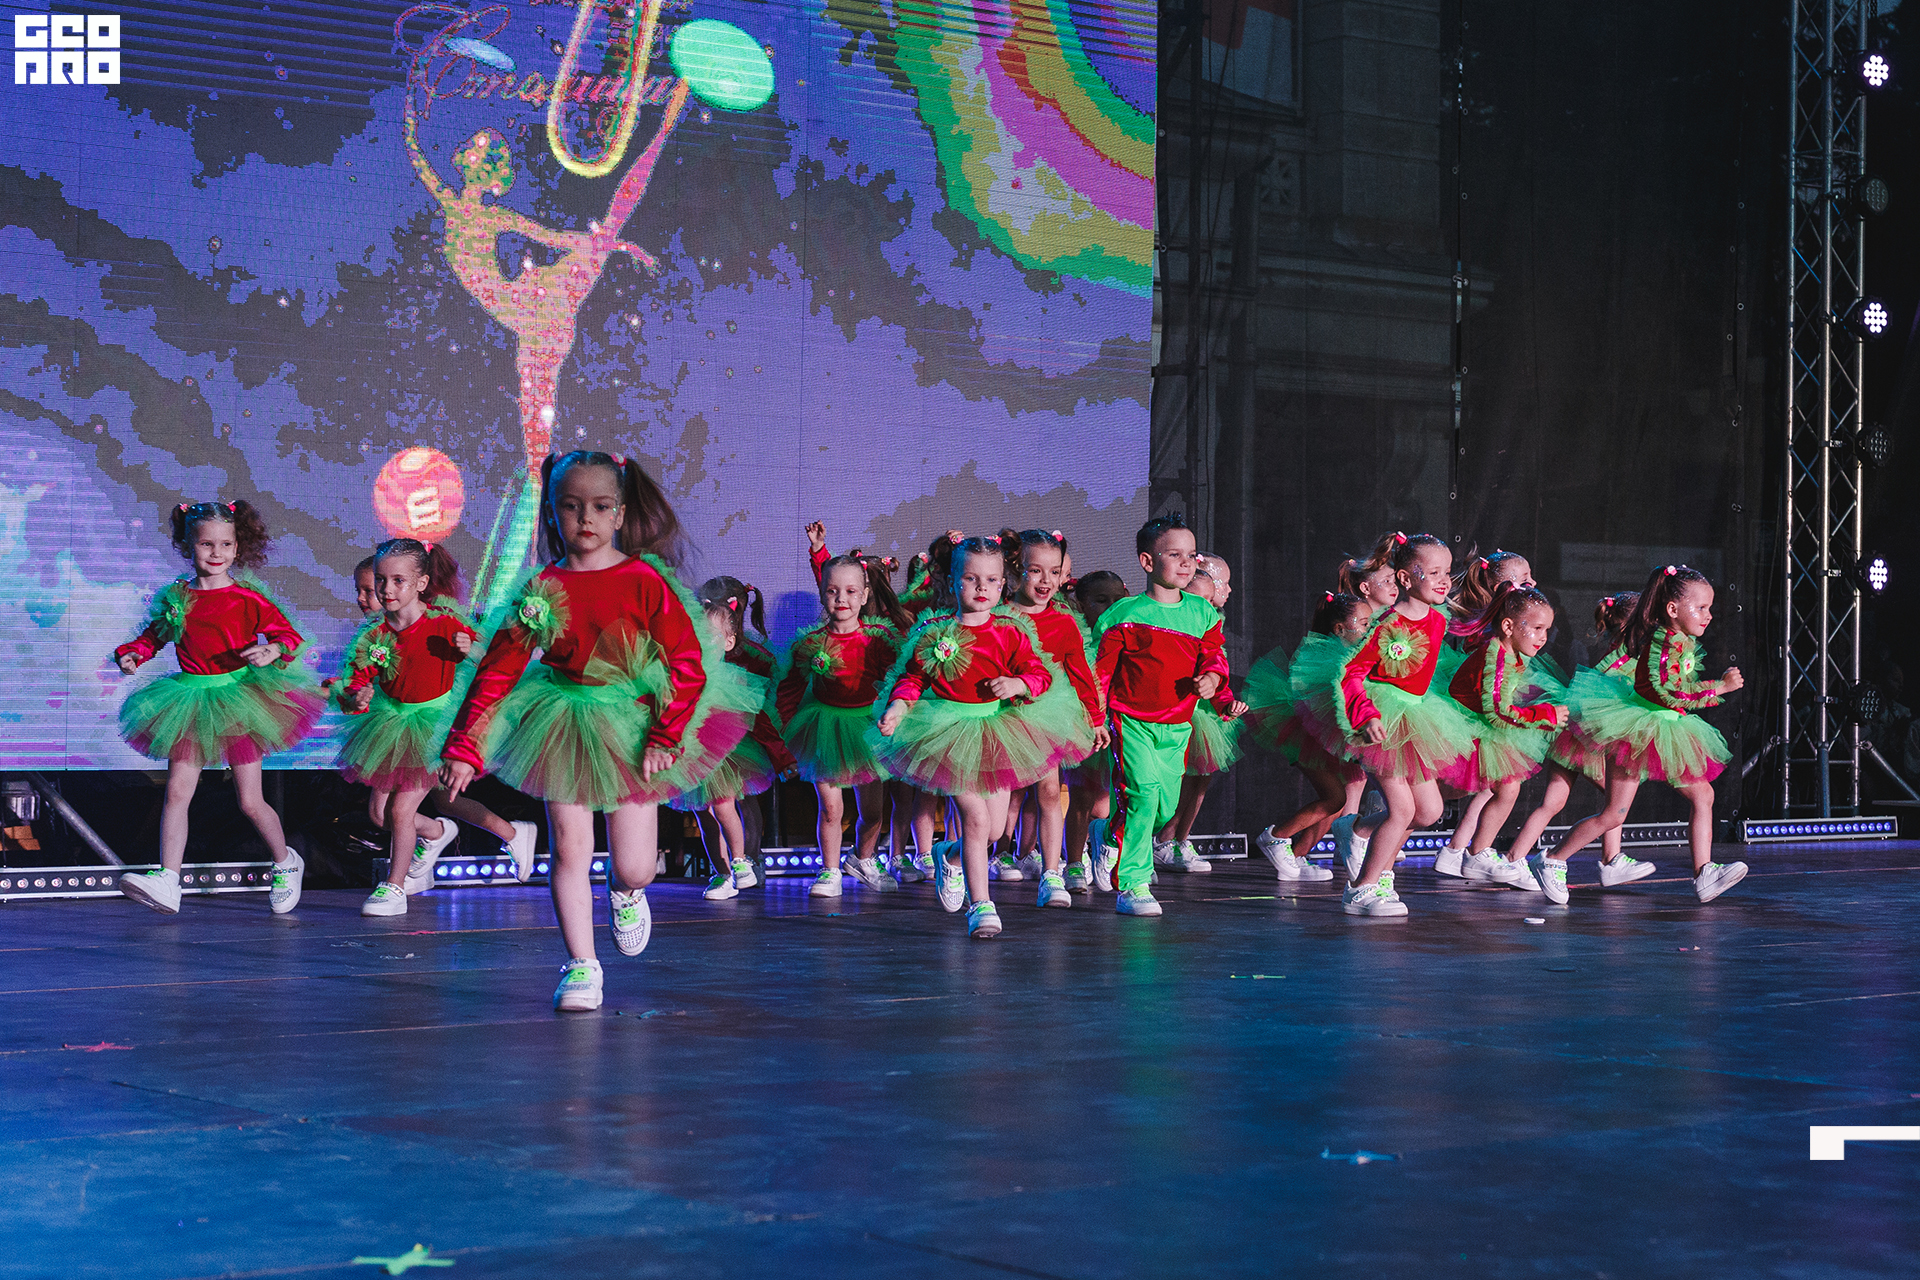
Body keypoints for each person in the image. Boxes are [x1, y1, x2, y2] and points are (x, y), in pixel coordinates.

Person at [440, 451, 746, 1013]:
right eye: (571, 506)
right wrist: (465, 745)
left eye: (601, 506)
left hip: (631, 722)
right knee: (570, 848)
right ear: (553, 514)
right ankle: (581, 964)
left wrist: (666, 733)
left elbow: (685, 662)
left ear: (620, 514)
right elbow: (498, 670)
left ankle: (626, 891)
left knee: (635, 865)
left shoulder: (643, 580)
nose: (586, 518)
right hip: (563, 720)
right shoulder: (542, 587)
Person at [114, 500, 325, 916]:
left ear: (237, 547)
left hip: (240, 700)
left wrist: (273, 649)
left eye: (225, 544)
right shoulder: (177, 597)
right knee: (177, 792)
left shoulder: (246, 598)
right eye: (206, 544)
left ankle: (285, 861)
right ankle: (169, 879)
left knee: (250, 800)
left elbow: (288, 636)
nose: (216, 553)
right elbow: (154, 635)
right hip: (190, 700)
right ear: (187, 545)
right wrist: (133, 653)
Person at [875, 536, 1089, 937]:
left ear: (1002, 584)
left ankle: (950, 857)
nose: (981, 588)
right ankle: (981, 905)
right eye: (972, 579)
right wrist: (899, 707)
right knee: (974, 819)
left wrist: (1019, 683)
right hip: (948, 734)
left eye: (991, 580)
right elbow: (913, 677)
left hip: (996, 734)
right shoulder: (936, 632)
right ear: (953, 580)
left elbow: (1039, 673)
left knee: (991, 831)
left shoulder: (1010, 631)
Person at [1525, 565, 1747, 905]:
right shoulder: (1664, 643)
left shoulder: (1682, 641)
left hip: (1666, 726)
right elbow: (1669, 692)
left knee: (1703, 795)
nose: (1708, 615)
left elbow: (1678, 690)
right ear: (1672, 609)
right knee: (1613, 813)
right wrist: (1719, 687)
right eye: (1701, 608)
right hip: (1638, 729)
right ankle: (1553, 859)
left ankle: (1704, 873)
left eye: (1709, 608)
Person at [1321, 533, 1478, 918]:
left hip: (1417, 717)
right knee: (1402, 810)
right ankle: (1363, 887)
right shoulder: (1386, 624)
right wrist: (1366, 715)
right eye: (1434, 572)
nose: (1444, 580)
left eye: (1447, 572)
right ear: (1406, 579)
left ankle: (1358, 830)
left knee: (1429, 811)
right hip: (1383, 719)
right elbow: (1352, 674)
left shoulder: (1438, 620)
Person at [1092, 514, 1232, 918]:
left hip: (1177, 725)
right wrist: (1097, 718)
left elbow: (1214, 657)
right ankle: (1132, 884)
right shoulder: (1124, 614)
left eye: (1191, 555)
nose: (1186, 563)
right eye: (1175, 555)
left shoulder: (1202, 614)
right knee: (1143, 795)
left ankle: (1108, 832)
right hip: (1130, 720)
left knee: (1164, 808)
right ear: (1148, 561)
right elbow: (1100, 673)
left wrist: (1214, 682)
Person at [336, 538, 480, 916]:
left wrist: (471, 650)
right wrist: (357, 697)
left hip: (434, 729)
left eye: (398, 581)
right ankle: (437, 832)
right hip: (392, 725)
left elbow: (487, 661)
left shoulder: (444, 624)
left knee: (401, 810)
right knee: (378, 814)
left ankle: (395, 887)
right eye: (381, 580)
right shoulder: (374, 637)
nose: (386, 589)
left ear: (421, 583)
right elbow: (354, 682)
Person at [775, 551, 904, 897]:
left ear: (864, 595)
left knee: (872, 813)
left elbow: (897, 680)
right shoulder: (811, 643)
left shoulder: (878, 639)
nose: (841, 599)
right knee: (831, 808)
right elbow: (788, 693)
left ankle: (863, 857)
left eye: (850, 591)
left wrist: (895, 713)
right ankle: (829, 869)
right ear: (822, 593)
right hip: (824, 728)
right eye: (832, 591)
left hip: (867, 729)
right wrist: (784, 744)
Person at [1499, 593, 1641, 883]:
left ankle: (1513, 858)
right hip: (1583, 738)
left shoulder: (1618, 652)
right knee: (1615, 802)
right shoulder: (1620, 658)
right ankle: (1611, 859)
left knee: (1553, 802)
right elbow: (1598, 696)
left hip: (1574, 735)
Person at [1001, 529, 1106, 908]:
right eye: (1035, 571)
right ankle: (976, 855)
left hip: (1047, 715)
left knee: (1048, 792)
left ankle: (1051, 873)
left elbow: (1080, 674)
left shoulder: (1063, 623)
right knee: (1000, 804)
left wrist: (1095, 718)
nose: (1046, 581)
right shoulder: (998, 618)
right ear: (1015, 570)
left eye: (1055, 572)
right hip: (1002, 718)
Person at [670, 587, 796, 901]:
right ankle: (722, 873)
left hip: (726, 758)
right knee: (704, 816)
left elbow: (759, 722)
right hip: (691, 758)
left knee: (723, 805)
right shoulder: (682, 678)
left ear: (728, 642)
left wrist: (782, 757)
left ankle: (740, 860)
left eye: (711, 636)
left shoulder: (734, 680)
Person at [1439, 583, 1568, 889]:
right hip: (1464, 726)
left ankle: (1477, 853)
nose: (1543, 637)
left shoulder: (1514, 654)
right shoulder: (1495, 656)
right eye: (1536, 628)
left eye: (1547, 630)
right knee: (1438, 797)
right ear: (1509, 627)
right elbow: (1498, 712)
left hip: (1481, 724)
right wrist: (1543, 715)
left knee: (1508, 787)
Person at [1242, 590, 1368, 883]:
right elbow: (1326, 699)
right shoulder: (1326, 655)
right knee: (1335, 798)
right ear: (1340, 629)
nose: (1369, 629)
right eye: (1364, 623)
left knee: (1337, 802)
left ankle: (1298, 855)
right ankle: (1276, 836)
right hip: (1306, 735)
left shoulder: (1352, 655)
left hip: (1326, 738)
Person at [1433, 549, 1538, 878]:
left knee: (1494, 785)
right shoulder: (1494, 632)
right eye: (1525, 580)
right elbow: (1487, 689)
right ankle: (1468, 851)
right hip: (1476, 715)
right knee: (1479, 786)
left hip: (1489, 713)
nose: (1533, 583)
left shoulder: (1503, 625)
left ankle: (1460, 851)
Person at [1154, 553, 1248, 874]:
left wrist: (1225, 700)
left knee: (1200, 777)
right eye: (1224, 583)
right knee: (1175, 777)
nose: (1229, 590)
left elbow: (1217, 669)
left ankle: (1179, 839)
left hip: (1207, 709)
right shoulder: (1181, 617)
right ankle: (1161, 838)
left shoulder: (1212, 621)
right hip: (1181, 706)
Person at [1063, 569, 1127, 891]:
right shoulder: (1079, 640)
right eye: (1101, 600)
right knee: (1083, 796)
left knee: (1111, 800)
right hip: (1087, 722)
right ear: (1082, 603)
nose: (1111, 606)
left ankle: (1108, 849)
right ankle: (1074, 862)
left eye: (1117, 599)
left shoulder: (1128, 634)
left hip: (1122, 722)